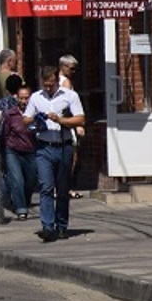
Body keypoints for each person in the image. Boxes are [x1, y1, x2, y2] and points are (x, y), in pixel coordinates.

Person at [26, 66, 86, 242]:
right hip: (43, 147)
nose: (48, 88)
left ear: (56, 82)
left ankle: (61, 226)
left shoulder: (69, 96)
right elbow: (25, 120)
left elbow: (81, 118)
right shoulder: (36, 98)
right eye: (46, 85)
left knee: (62, 189)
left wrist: (60, 120)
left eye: (51, 84)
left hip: (63, 146)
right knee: (45, 187)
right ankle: (47, 226)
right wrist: (34, 119)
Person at [0, 78, 38, 221]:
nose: (24, 101)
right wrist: (3, 153)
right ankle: (21, 208)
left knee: (30, 180)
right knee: (17, 179)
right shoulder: (10, 114)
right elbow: (4, 134)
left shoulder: (36, 113)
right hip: (13, 151)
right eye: (21, 98)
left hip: (31, 150)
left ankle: (25, 200)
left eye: (27, 98)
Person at [58, 54, 84, 198]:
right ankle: (66, 187)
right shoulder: (66, 82)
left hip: (59, 124)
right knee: (72, 157)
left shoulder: (55, 82)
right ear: (63, 67)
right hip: (67, 123)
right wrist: (77, 124)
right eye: (72, 69)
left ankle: (60, 187)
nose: (74, 72)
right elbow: (67, 105)